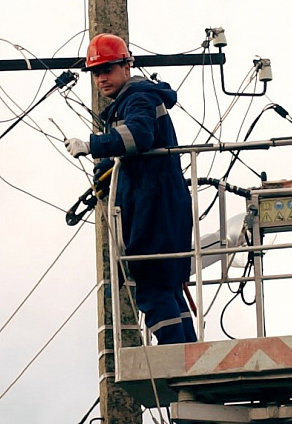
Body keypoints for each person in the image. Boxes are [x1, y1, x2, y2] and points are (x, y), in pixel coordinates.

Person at [64, 33, 197, 345]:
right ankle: (188, 352)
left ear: (127, 65)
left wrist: (92, 145)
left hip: (155, 207)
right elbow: (136, 153)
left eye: (107, 69)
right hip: (162, 204)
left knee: (152, 285)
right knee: (166, 287)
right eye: (96, 73)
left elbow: (138, 136)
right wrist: (109, 171)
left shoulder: (137, 98)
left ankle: (176, 356)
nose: (101, 78)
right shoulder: (137, 99)